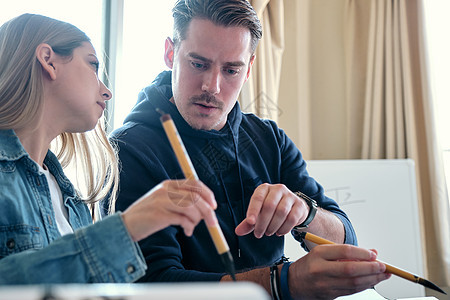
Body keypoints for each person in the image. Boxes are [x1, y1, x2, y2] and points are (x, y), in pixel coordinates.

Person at [110, 0, 391, 298]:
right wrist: (283, 283)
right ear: (170, 53)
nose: (212, 86)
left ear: (248, 70)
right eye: (198, 64)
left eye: (231, 69)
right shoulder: (130, 149)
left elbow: (345, 241)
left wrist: (305, 213)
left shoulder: (268, 138)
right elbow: (152, 284)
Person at [0, 13, 218, 284]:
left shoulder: (70, 198)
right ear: (48, 60)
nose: (107, 92)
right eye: (92, 65)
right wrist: (125, 228)